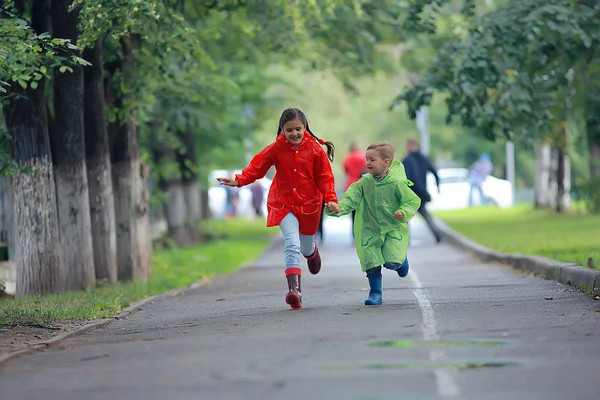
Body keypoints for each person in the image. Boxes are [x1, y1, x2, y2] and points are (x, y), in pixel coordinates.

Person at [217, 108, 338, 310]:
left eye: (298, 129)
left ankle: (311, 252)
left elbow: (325, 177)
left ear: (305, 127)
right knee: (291, 242)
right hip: (283, 203)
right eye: (289, 130)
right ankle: (295, 291)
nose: (294, 134)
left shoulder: (315, 150)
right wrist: (239, 181)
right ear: (282, 130)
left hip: (309, 205)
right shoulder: (276, 148)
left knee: (305, 246)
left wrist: (331, 199)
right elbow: (257, 168)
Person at [325, 142, 421, 306]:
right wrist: (338, 207)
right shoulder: (364, 182)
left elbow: (411, 200)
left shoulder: (396, 183)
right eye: (367, 159)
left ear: (386, 162)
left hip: (392, 230)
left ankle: (401, 262)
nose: (368, 163)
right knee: (372, 262)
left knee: (392, 262)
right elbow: (351, 198)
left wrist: (403, 211)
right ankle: (375, 293)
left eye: (372, 159)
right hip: (370, 230)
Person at [402, 138, 441, 243]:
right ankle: (436, 234)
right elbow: (434, 172)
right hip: (422, 192)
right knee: (425, 215)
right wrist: (438, 186)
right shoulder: (424, 158)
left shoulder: (406, 160)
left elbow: (404, 177)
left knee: (406, 216)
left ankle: (406, 239)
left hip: (410, 193)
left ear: (410, 146)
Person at [343, 142, 367, 237]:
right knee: (363, 209)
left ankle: (354, 232)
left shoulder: (346, 158)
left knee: (353, 210)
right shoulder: (363, 156)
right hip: (361, 183)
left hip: (350, 184)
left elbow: (346, 171)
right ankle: (363, 230)